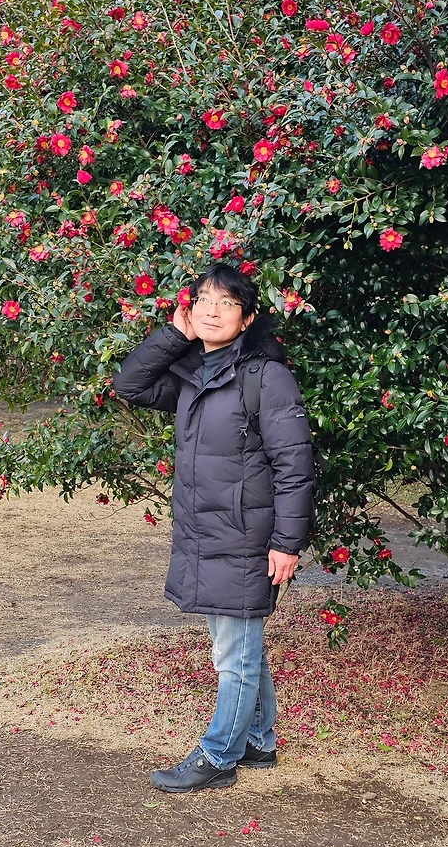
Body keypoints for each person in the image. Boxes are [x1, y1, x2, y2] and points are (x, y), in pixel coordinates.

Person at [112, 264, 315, 792]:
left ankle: (219, 754)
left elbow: (295, 464)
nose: (212, 310)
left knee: (234, 653)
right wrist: (173, 335)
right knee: (241, 643)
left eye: (227, 303)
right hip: (206, 533)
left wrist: (287, 543)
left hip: (246, 536)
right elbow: (129, 385)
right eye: (203, 299)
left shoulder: (265, 377)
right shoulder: (193, 375)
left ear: (247, 319)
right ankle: (258, 741)